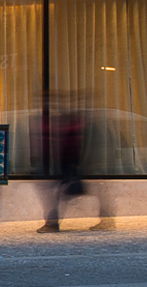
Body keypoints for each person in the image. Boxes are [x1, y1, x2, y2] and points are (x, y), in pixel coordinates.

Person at [35, 97, 112, 232]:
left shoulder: (78, 123)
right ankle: (52, 222)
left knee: (91, 190)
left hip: (73, 163)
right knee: (56, 192)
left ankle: (52, 223)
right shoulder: (62, 122)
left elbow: (83, 143)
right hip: (62, 163)